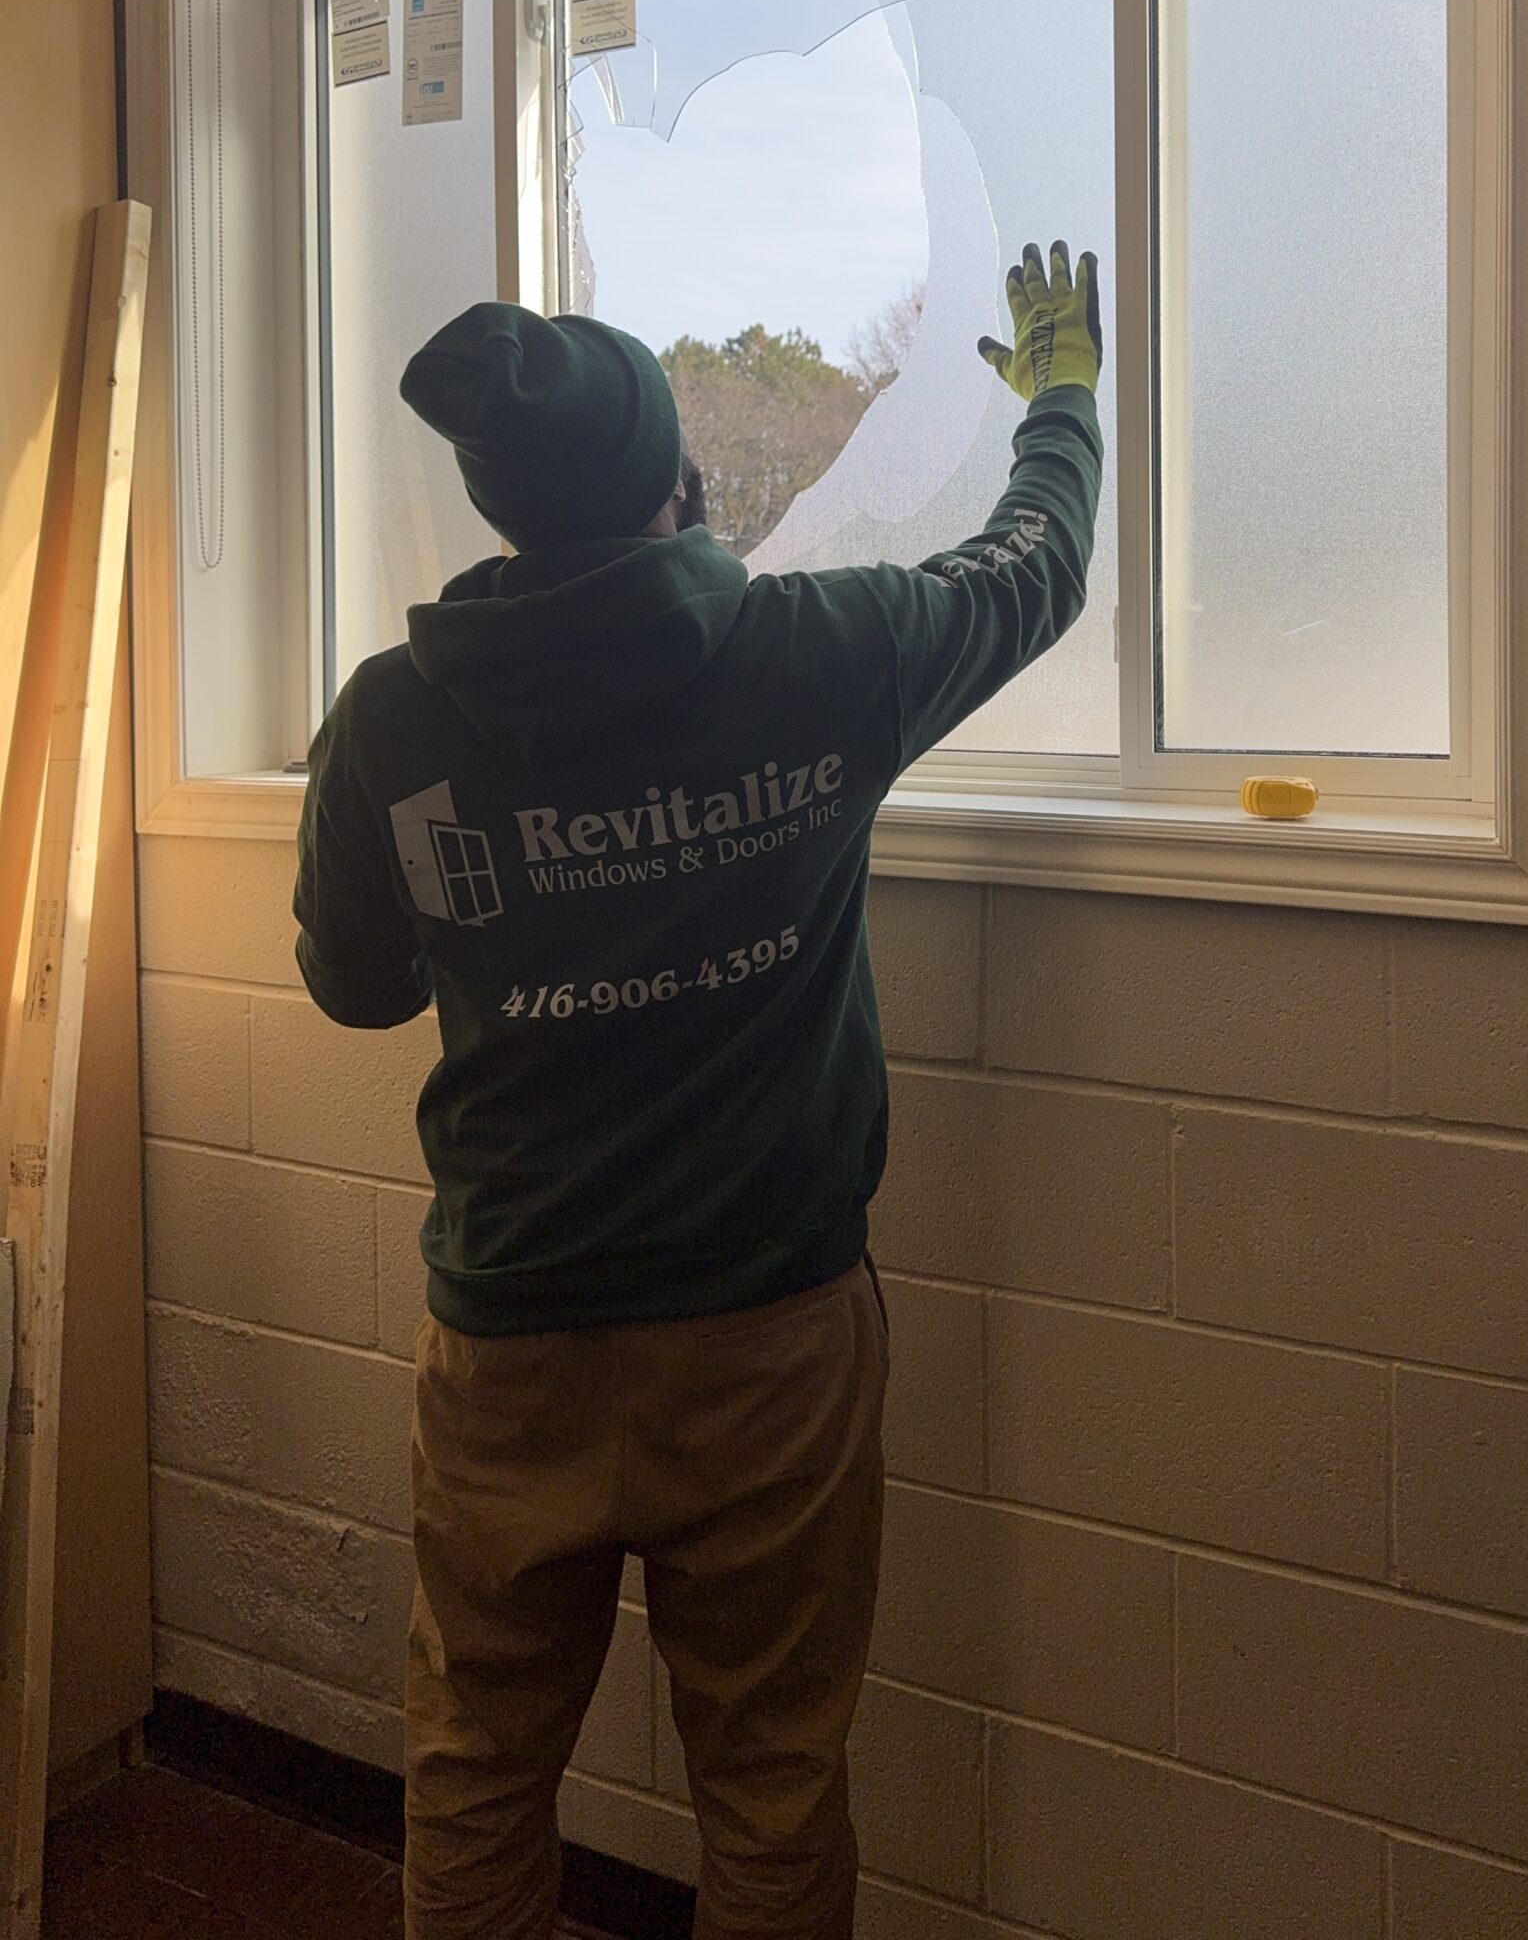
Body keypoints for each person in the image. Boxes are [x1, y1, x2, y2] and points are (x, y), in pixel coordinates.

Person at [293, 242, 1104, 1940]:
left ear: (502, 508)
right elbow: (1032, 572)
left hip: (513, 1342)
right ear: (681, 476)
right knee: (775, 1785)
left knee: (478, 1776)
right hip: (769, 1346)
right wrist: (1063, 398)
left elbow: (358, 991)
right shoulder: (820, 654)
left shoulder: (388, 718)